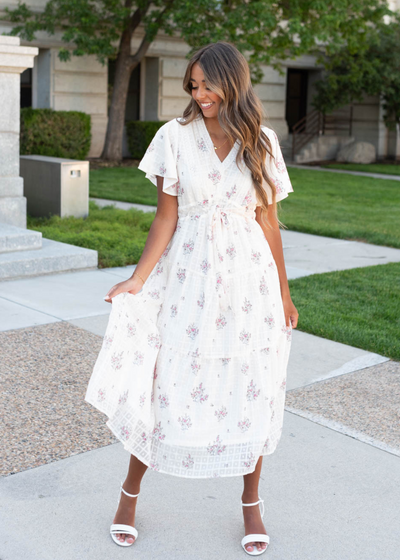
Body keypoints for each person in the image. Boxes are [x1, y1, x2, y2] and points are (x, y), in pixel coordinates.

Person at [85, 41, 298, 556]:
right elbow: (167, 216)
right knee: (164, 384)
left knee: (251, 388)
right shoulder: (174, 137)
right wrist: (138, 279)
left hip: (250, 287)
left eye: (208, 85)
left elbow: (268, 223)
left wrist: (285, 294)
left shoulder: (263, 143)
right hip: (189, 280)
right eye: (194, 85)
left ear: (235, 82)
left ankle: (251, 502)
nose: (199, 94)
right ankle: (128, 496)